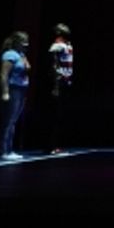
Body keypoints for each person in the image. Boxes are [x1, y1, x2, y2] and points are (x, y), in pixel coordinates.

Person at [0, 31, 31, 161]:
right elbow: (3, 74)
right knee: (8, 121)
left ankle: (10, 149)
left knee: (13, 121)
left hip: (22, 89)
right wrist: (5, 92)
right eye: (23, 43)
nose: (25, 45)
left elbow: (27, 68)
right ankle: (3, 150)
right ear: (16, 42)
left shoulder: (21, 54)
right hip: (13, 89)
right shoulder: (10, 54)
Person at [45, 23, 73, 155]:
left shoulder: (68, 44)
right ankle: (50, 146)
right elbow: (53, 64)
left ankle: (56, 145)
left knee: (60, 115)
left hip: (66, 81)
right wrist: (56, 85)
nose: (66, 28)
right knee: (54, 115)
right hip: (59, 82)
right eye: (62, 28)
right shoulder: (57, 44)